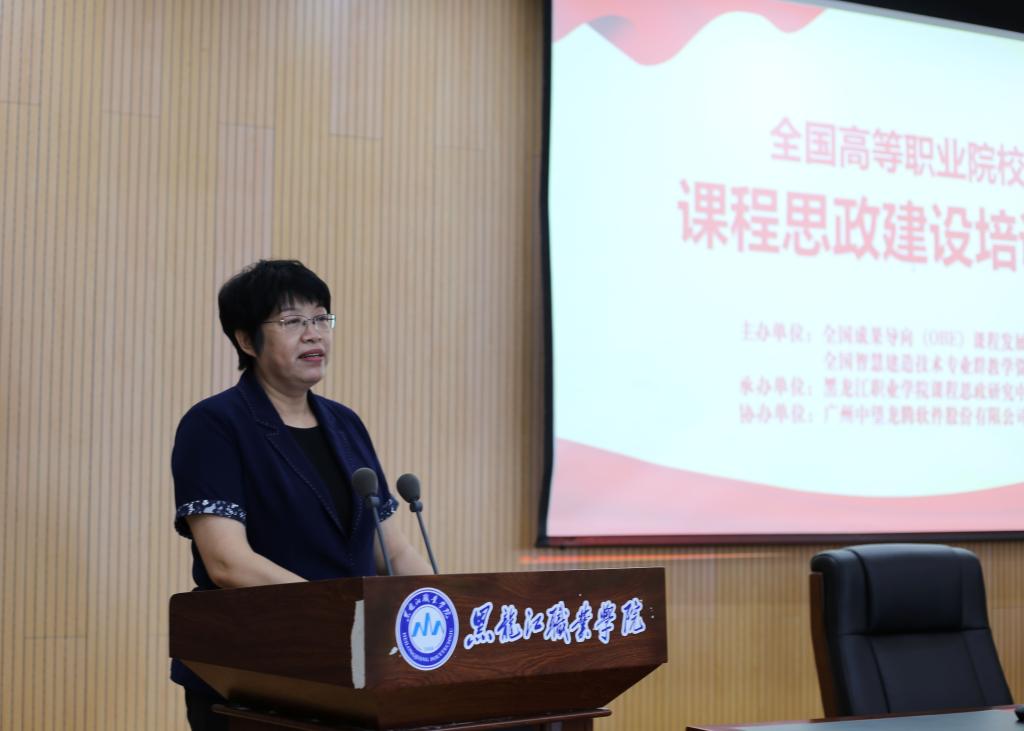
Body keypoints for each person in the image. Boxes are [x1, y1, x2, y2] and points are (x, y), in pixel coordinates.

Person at [171, 259, 430, 730]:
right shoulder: (215, 425)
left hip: (353, 670)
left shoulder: (345, 423)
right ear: (246, 340)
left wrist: (443, 611)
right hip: (256, 672)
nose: (314, 334)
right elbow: (227, 562)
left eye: (321, 318)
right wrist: (339, 615)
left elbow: (390, 549)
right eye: (292, 322)